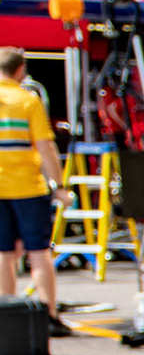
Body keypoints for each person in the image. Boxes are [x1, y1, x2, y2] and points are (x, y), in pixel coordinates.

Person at [0, 48, 71, 325]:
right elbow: (45, 146)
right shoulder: (28, 101)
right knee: (39, 252)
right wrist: (60, 185)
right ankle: (48, 314)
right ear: (21, 70)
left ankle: (6, 314)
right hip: (28, 186)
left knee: (4, 253)